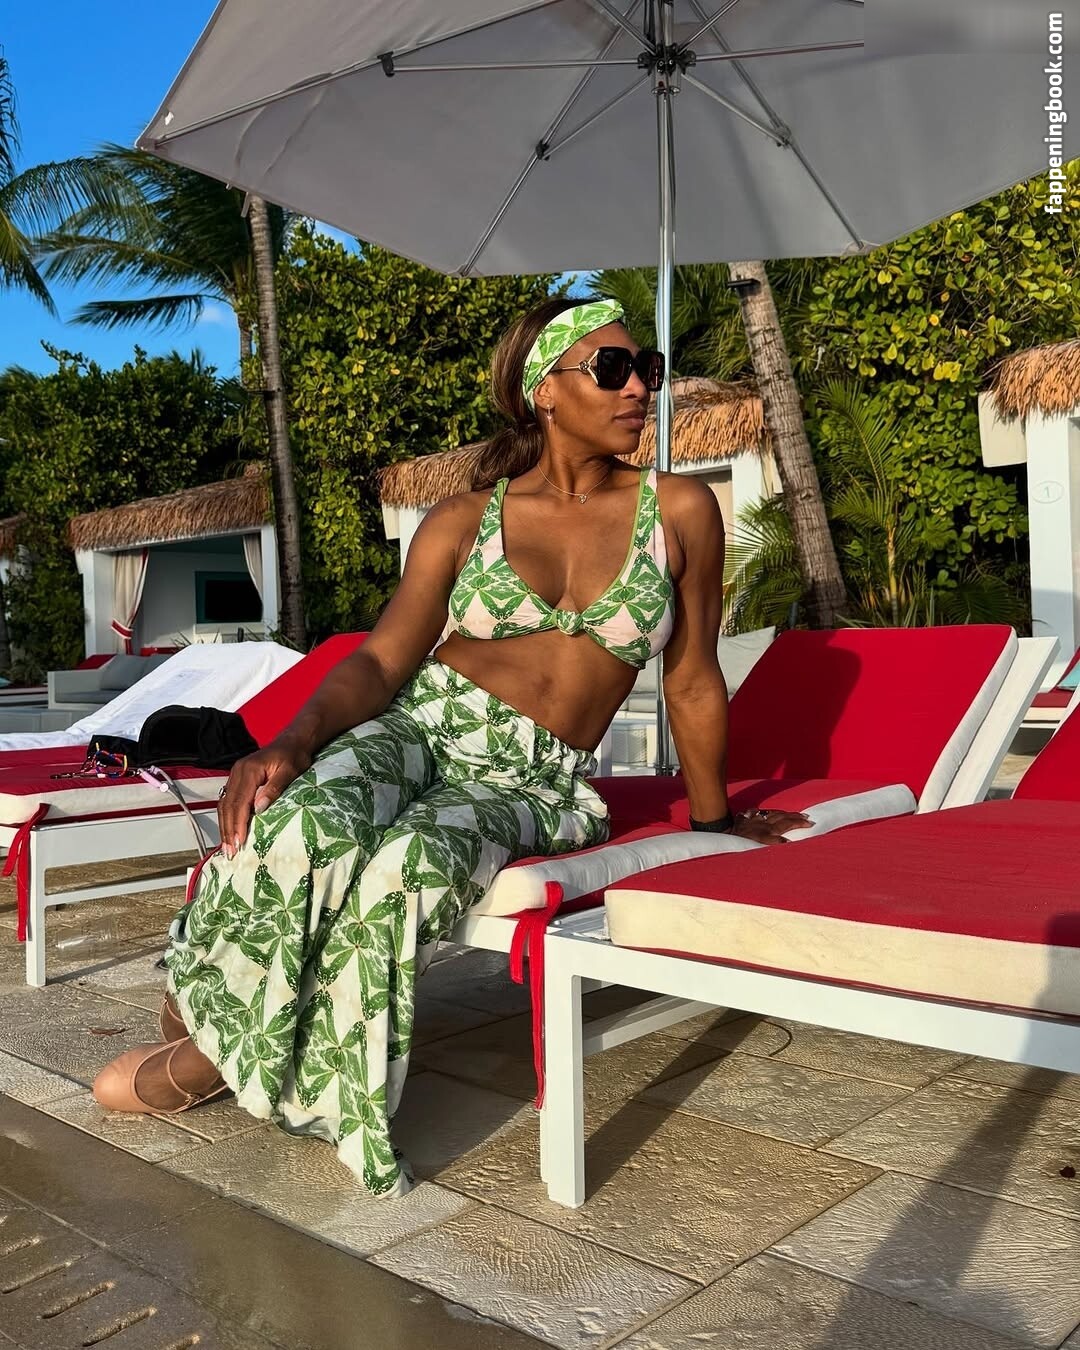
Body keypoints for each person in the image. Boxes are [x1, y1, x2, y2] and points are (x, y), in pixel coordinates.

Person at [92, 297, 805, 1197]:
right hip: (422, 726)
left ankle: (226, 1051)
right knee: (303, 821)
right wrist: (293, 741)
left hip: (532, 777)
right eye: (614, 369)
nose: (640, 389)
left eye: (647, 370)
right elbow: (383, 660)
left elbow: (693, 678)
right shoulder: (465, 519)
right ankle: (222, 1011)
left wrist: (714, 826)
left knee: (408, 867)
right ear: (545, 390)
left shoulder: (679, 509)